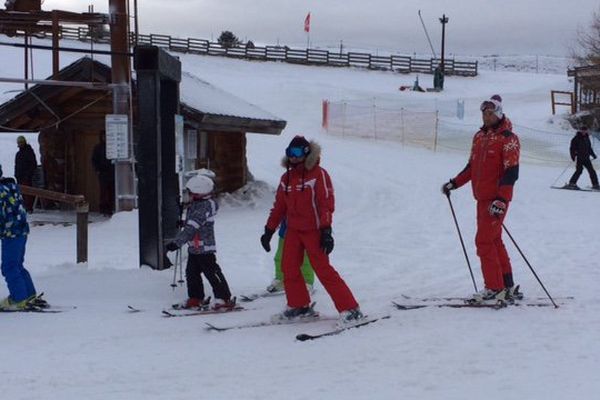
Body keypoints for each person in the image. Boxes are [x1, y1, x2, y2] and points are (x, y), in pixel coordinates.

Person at [260, 135, 364, 326]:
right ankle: (299, 306)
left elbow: (325, 204)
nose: (293, 157)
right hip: (293, 230)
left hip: (314, 230)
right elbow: (279, 207)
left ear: (306, 153)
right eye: (290, 153)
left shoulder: (318, 175)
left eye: (297, 153)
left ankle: (350, 309)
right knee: (288, 267)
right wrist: (269, 230)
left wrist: (326, 231)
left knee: (323, 269)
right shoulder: (287, 178)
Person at [441, 95, 521, 303]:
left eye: (491, 113)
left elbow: (511, 172)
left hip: (496, 200)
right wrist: (454, 183)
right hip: (481, 198)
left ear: (499, 113)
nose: (487, 117)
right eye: (484, 113)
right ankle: (506, 284)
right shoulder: (479, 137)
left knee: (483, 241)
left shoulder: (508, 138)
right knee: (494, 240)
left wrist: (501, 200)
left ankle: (494, 288)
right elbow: (472, 167)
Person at [165, 174, 235, 310]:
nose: (188, 195)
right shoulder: (197, 205)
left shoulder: (204, 206)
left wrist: (177, 243)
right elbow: (195, 222)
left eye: (189, 192)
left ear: (198, 192)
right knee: (191, 273)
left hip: (204, 248)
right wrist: (183, 222)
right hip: (195, 247)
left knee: (212, 273)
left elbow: (192, 227)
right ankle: (196, 298)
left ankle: (224, 297)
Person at [0, 163, 44, 310]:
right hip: (21, 231)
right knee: (17, 264)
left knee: (9, 266)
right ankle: (29, 294)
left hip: (10, 233)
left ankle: (18, 298)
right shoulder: (11, 186)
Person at [267, 218, 315, 294]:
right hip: (286, 231)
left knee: (305, 257)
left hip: (306, 230)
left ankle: (307, 281)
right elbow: (279, 209)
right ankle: (281, 279)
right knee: (280, 256)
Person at [567, 126, 599, 190]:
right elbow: (572, 148)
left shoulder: (587, 138)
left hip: (586, 158)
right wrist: (573, 156)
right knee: (579, 170)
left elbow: (589, 148)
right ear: (580, 130)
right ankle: (572, 183)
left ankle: (595, 185)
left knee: (592, 171)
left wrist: (593, 155)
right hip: (579, 158)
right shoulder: (576, 138)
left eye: (585, 130)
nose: (584, 131)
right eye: (582, 130)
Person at [91, 132, 115, 215]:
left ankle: (111, 208)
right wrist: (97, 170)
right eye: (103, 136)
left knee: (112, 190)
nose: (105, 138)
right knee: (103, 191)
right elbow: (94, 159)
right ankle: (103, 208)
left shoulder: (112, 146)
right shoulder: (98, 147)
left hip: (112, 171)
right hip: (103, 172)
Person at [14, 136, 37, 212]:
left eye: (21, 142)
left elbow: (33, 164)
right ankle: (23, 206)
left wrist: (28, 175)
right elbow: (17, 165)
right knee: (21, 193)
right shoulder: (18, 154)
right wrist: (16, 174)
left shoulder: (29, 152)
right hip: (19, 177)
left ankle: (29, 207)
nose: (20, 144)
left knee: (28, 193)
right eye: (19, 142)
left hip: (27, 177)